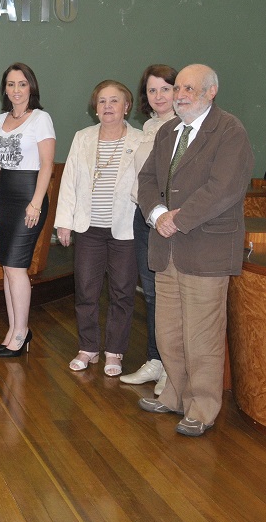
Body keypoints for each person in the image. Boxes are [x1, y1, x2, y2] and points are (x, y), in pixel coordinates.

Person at [137, 64, 253, 437]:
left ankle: (202, 407)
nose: (180, 95)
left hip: (206, 250)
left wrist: (178, 219)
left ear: (211, 92)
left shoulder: (230, 131)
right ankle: (174, 395)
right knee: (168, 331)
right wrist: (157, 214)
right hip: (166, 247)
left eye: (189, 88)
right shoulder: (168, 130)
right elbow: (147, 179)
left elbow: (224, 188)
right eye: (178, 88)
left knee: (202, 336)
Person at [55, 80, 144, 376]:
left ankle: (115, 351)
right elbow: (69, 181)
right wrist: (64, 222)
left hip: (125, 230)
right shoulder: (83, 138)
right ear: (95, 107)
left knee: (122, 292)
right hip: (88, 229)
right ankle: (88, 347)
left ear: (126, 106)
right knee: (86, 290)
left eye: (114, 100)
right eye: (102, 101)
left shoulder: (141, 140)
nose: (108, 106)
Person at [0, 63, 55, 358]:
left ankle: (22, 331)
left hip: (29, 195)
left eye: (22, 84)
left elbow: (47, 165)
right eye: (11, 84)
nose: (16, 89)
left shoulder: (40, 118)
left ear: (31, 87)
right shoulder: (0, 119)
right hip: (5, 196)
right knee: (7, 266)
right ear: (5, 88)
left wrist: (36, 203)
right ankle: (13, 329)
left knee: (16, 266)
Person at [120, 65, 177, 393]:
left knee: (169, 294)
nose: (158, 96)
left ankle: (172, 368)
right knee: (152, 293)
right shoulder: (150, 127)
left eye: (165, 89)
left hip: (167, 222)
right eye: (152, 90)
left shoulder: (183, 127)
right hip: (143, 218)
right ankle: (155, 361)